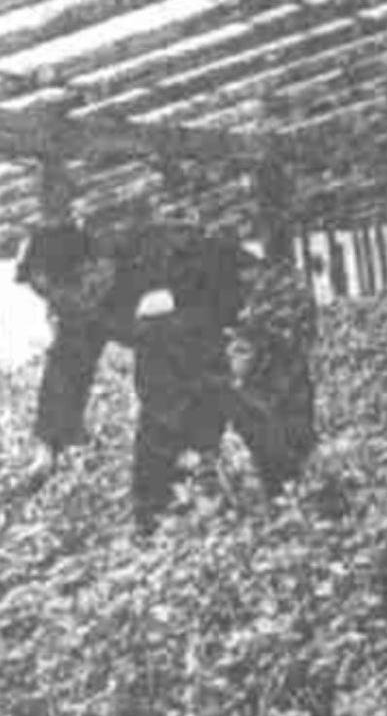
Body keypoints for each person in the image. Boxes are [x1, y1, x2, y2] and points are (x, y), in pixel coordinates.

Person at [17, 220, 317, 533]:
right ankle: (162, 517)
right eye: (47, 297)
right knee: (161, 458)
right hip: (185, 347)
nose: (56, 306)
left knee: (279, 441)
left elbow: (247, 287)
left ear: (89, 270)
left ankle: (300, 498)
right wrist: (48, 445)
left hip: (259, 321)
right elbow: (67, 367)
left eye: (57, 293)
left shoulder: (163, 253)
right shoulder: (81, 303)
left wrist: (180, 298)